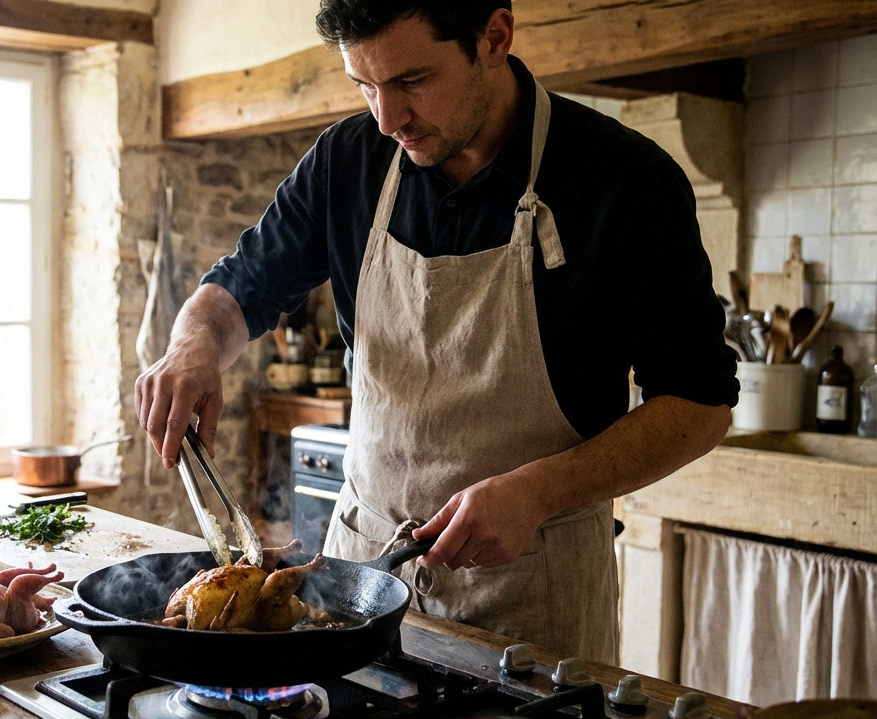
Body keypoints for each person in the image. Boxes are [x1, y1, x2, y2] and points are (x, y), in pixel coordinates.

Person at [134, 0, 737, 663]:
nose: (387, 118)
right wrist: (193, 345)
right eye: (363, 85)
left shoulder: (624, 181)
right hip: (355, 593)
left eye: (411, 81)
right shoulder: (348, 162)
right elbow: (240, 288)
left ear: (494, 37)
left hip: (527, 605)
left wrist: (538, 491)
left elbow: (699, 406)